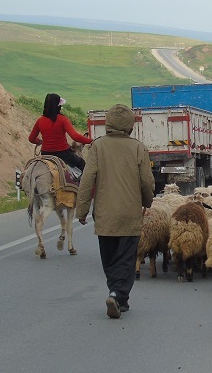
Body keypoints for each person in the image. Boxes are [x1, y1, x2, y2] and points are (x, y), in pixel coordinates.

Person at [76, 104, 155, 319]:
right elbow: (147, 181)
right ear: (130, 125)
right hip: (130, 214)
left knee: (109, 258)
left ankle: (116, 293)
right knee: (126, 258)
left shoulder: (97, 147)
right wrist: (148, 202)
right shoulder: (138, 148)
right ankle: (119, 295)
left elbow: (86, 181)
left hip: (105, 215)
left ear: (107, 123)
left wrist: (81, 210)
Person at [28, 93, 92, 171]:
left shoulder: (40, 121)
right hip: (63, 153)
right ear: (58, 106)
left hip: (45, 154)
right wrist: (90, 141)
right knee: (82, 164)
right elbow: (74, 136)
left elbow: (31, 139)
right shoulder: (63, 120)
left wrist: (39, 141)